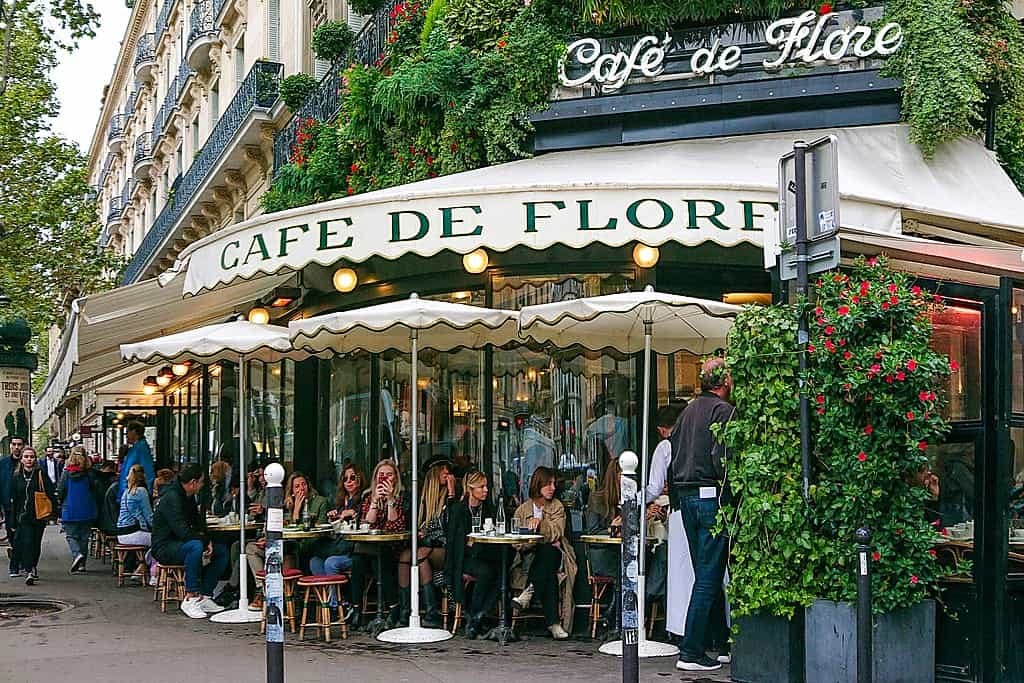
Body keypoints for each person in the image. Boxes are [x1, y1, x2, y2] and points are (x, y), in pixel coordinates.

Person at [668, 357, 734, 671]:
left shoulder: (686, 412)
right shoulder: (723, 411)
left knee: (707, 573)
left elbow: (673, 456)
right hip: (711, 497)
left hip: (687, 498)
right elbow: (724, 459)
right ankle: (691, 651)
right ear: (725, 382)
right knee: (709, 577)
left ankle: (721, 642)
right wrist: (732, 495)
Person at [151, 464, 229, 619]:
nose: (202, 485)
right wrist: (204, 541)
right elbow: (182, 531)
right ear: (193, 482)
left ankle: (205, 595)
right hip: (164, 546)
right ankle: (191, 596)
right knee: (195, 546)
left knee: (221, 551)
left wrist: (207, 540)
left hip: (181, 543)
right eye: (201, 482)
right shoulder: (171, 498)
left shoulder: (188, 496)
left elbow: (197, 522)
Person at [512, 466, 578, 640]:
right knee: (549, 574)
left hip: (557, 557)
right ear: (538, 484)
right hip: (529, 558)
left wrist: (540, 524)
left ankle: (529, 591)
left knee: (549, 551)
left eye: (554, 484)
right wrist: (536, 541)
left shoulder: (557, 506)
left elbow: (557, 532)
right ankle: (553, 623)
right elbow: (517, 542)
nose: (553, 488)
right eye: (548, 484)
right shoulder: (522, 510)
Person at [350, 459, 408, 627]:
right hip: (371, 547)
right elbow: (367, 524)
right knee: (357, 560)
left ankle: (393, 608)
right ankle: (356, 609)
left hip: (393, 546)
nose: (385, 478)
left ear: (396, 477)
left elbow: (394, 527)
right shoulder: (368, 496)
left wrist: (390, 500)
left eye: (389, 474)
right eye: (381, 475)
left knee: (379, 559)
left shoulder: (403, 496)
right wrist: (375, 501)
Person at [397, 460, 454, 627]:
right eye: (444, 472)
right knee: (405, 556)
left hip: (446, 548)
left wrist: (451, 494)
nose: (447, 475)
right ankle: (405, 610)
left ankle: (431, 612)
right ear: (434, 474)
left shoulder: (451, 497)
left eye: (448, 472)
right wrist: (420, 534)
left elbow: (452, 528)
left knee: (420, 555)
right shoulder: (421, 499)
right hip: (426, 545)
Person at [445, 470, 500, 638]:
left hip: (485, 554)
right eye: (481, 487)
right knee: (486, 572)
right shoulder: (458, 510)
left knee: (502, 572)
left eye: (486, 486)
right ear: (470, 489)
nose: (485, 490)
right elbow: (453, 542)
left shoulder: (489, 508)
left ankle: (477, 617)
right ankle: (475, 615)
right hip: (464, 559)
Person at [308, 464, 366, 620]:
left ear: (360, 479)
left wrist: (354, 514)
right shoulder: (340, 500)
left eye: (352, 478)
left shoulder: (364, 498)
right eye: (345, 478)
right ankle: (335, 600)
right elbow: (336, 529)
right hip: (339, 545)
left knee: (331, 563)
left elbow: (363, 523)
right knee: (314, 562)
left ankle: (336, 606)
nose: (349, 481)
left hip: (354, 549)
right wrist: (333, 517)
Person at [8, 447, 56, 584]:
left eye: (32, 457)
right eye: (26, 457)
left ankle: (33, 565)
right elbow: (14, 500)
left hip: (38, 515)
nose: (29, 459)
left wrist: (53, 514)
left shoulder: (40, 474)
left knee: (35, 543)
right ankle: (29, 570)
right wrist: (12, 520)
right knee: (27, 541)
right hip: (23, 517)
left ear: (35, 459)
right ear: (22, 459)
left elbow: (50, 494)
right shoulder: (16, 476)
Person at [57, 450, 97, 573]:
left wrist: (60, 503)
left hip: (70, 508)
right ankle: (82, 565)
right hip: (87, 509)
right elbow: (94, 488)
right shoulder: (89, 473)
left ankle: (77, 554)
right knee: (84, 538)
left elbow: (61, 489)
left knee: (71, 535)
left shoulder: (66, 473)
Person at [117, 464, 156, 580]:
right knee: (161, 542)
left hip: (121, 534)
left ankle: (141, 567)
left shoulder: (126, 492)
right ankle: (151, 573)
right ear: (144, 476)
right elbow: (149, 515)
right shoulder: (141, 491)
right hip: (134, 532)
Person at [283, 471, 330, 566]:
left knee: (293, 549)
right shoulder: (290, 504)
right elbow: (290, 530)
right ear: (292, 491)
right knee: (285, 548)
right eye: (297, 486)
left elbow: (321, 528)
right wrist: (296, 510)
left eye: (303, 484)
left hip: (315, 542)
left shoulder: (321, 501)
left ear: (308, 486)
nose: (301, 488)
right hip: (296, 543)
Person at [118, 422, 155, 501]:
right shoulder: (135, 448)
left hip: (133, 493)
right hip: (130, 491)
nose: (126, 435)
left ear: (134, 432)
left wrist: (148, 493)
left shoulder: (140, 449)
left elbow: (148, 471)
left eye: (127, 432)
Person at [0, 435, 24, 544]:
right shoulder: (3, 463)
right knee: (11, 533)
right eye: (14, 444)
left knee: (24, 534)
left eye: (19, 444)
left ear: (23, 446)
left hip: (25, 505)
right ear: (10, 446)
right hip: (8, 504)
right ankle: (14, 549)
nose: (16, 447)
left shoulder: (28, 461)